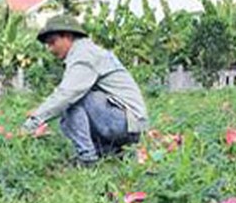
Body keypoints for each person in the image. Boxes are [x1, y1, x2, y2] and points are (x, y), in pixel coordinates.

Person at [22, 14, 148, 166]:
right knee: (68, 107)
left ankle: (87, 159)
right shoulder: (86, 52)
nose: (50, 49)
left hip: (125, 122)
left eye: (52, 42)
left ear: (67, 36)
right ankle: (113, 152)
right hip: (127, 123)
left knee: (71, 102)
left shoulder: (84, 55)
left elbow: (67, 95)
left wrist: (32, 123)